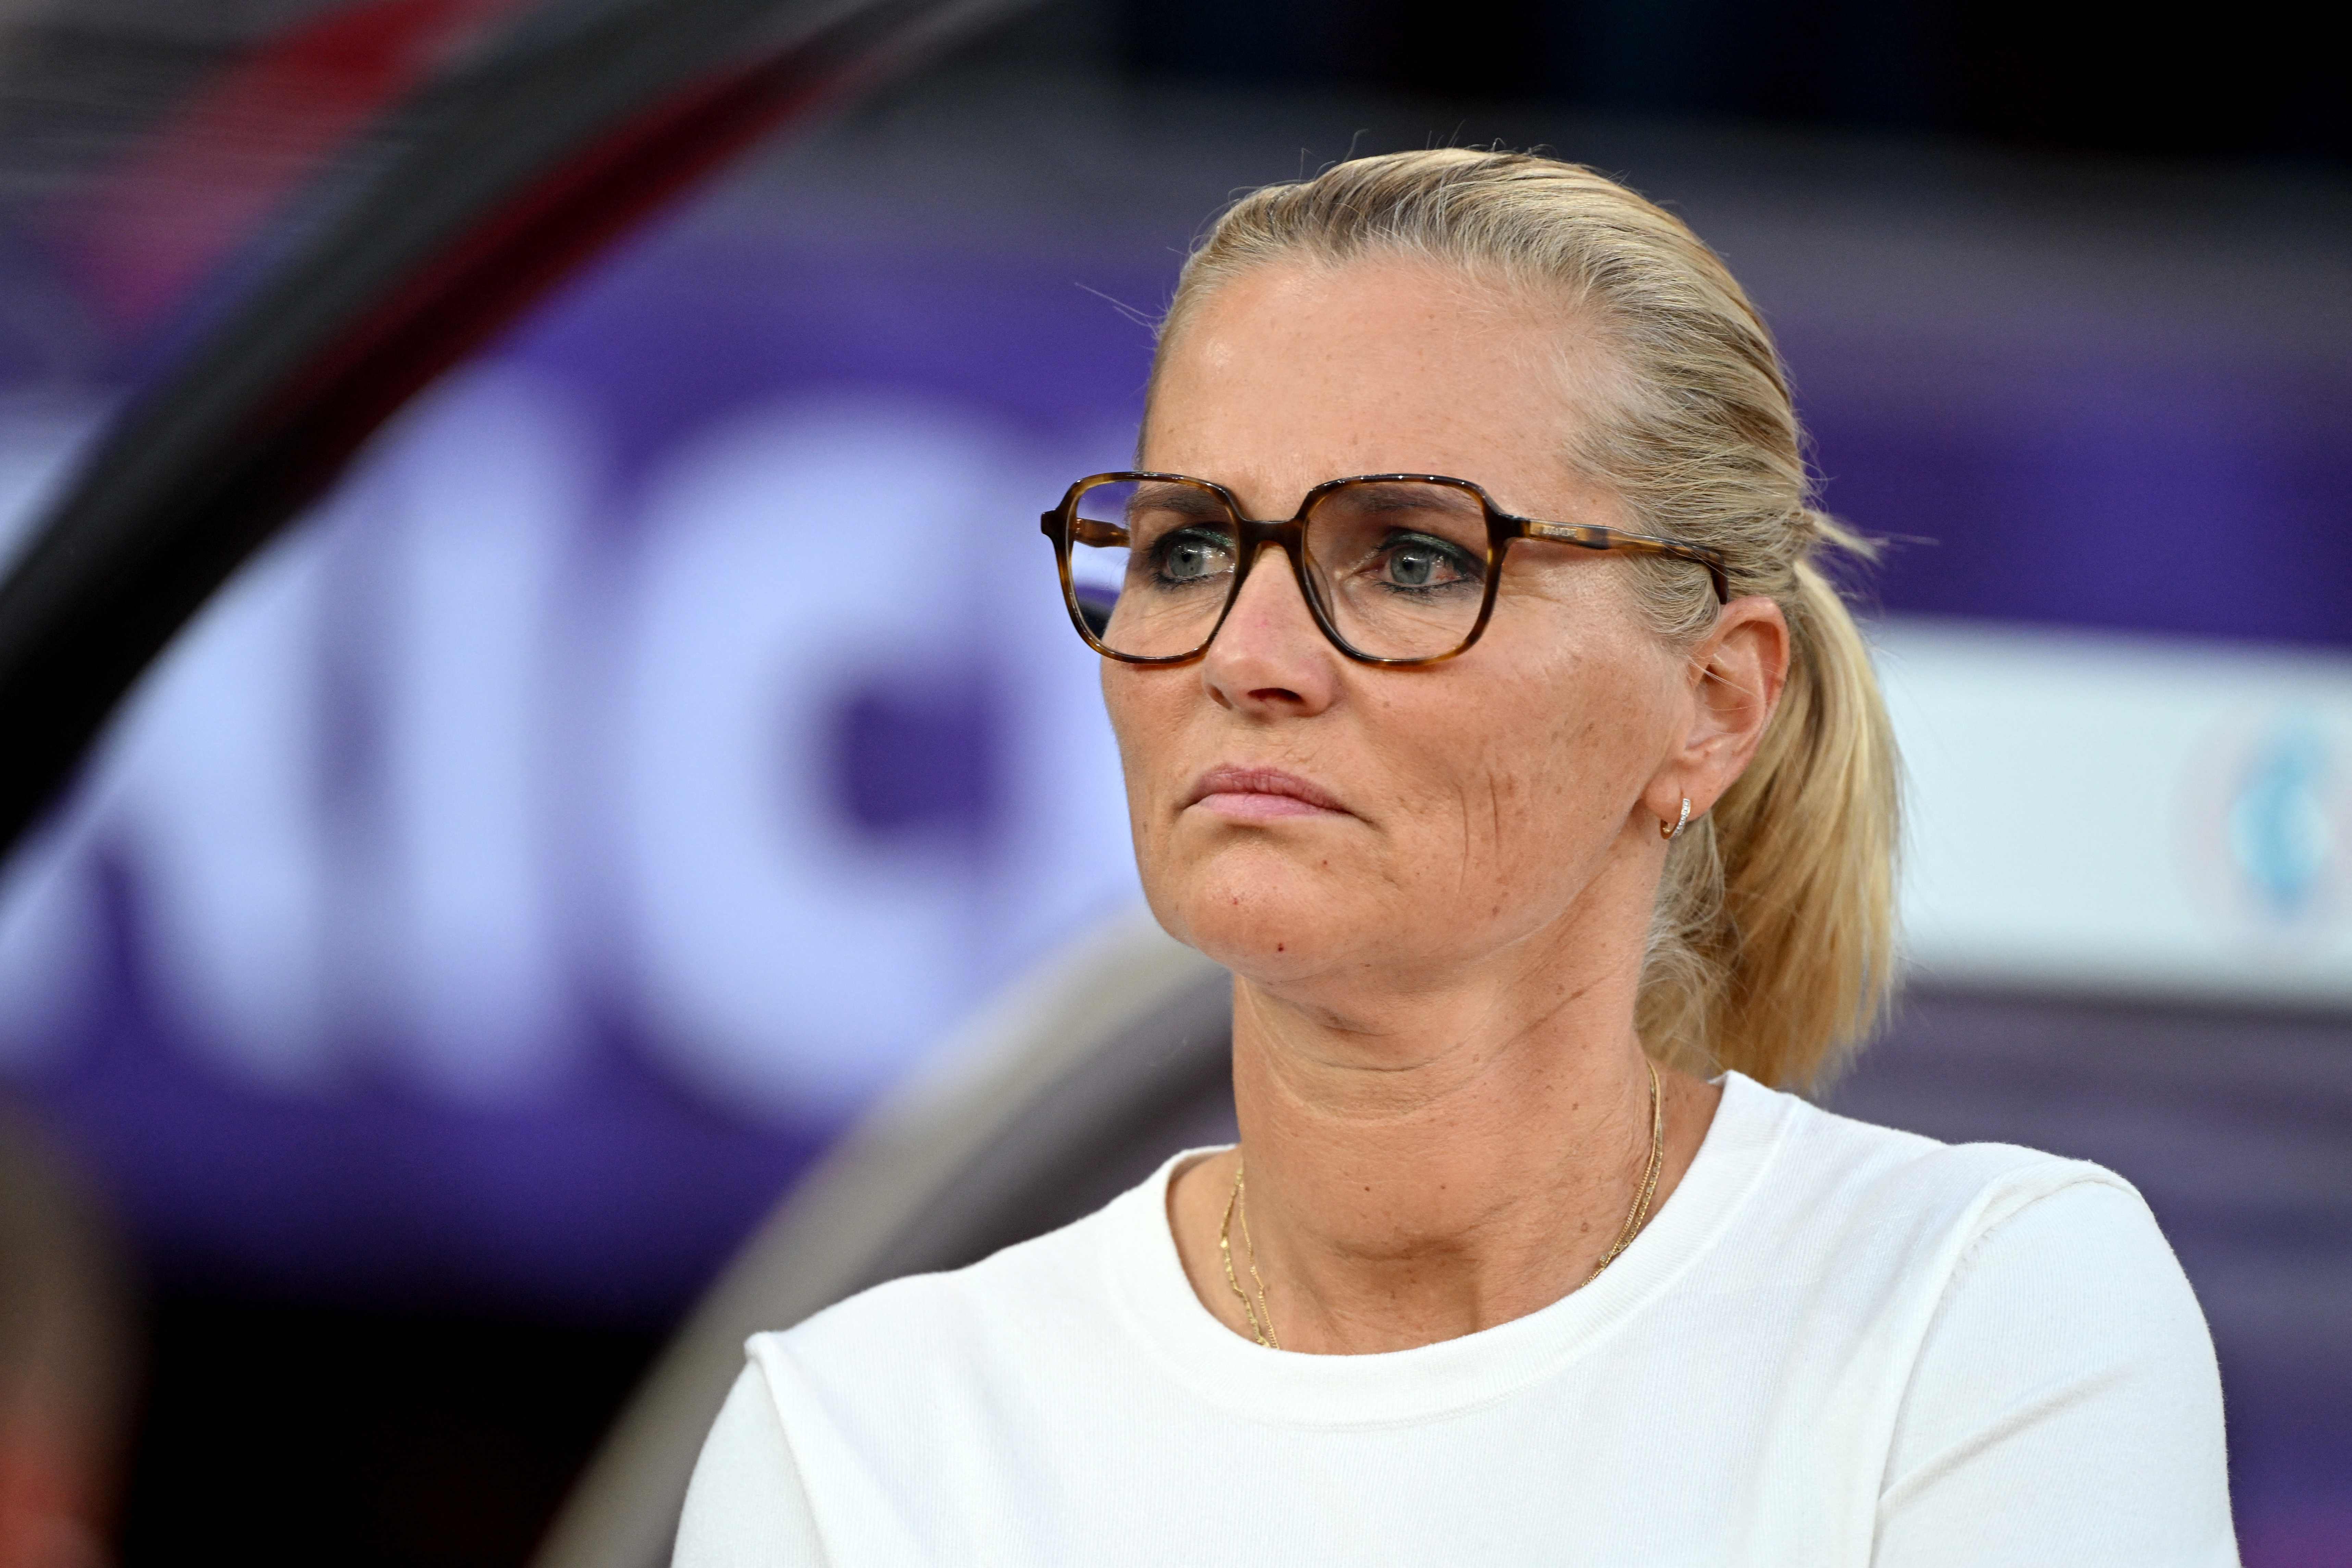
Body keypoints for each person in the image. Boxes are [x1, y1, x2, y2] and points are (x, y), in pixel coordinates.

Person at [674, 149, 2235, 1565]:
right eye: (1186, 548)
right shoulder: (856, 1440)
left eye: (1413, 557)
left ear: (1712, 702)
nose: (1249, 651)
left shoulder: (1972, 1318)